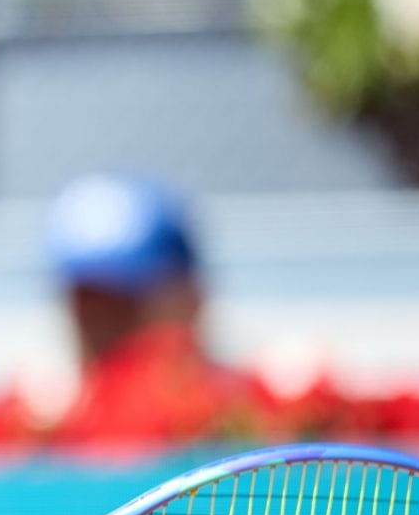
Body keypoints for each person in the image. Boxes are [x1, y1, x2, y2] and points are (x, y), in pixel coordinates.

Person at [41, 172, 270, 446]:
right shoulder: (39, 420)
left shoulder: (254, 411)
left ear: (191, 297)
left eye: (126, 304)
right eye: (88, 302)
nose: (103, 322)